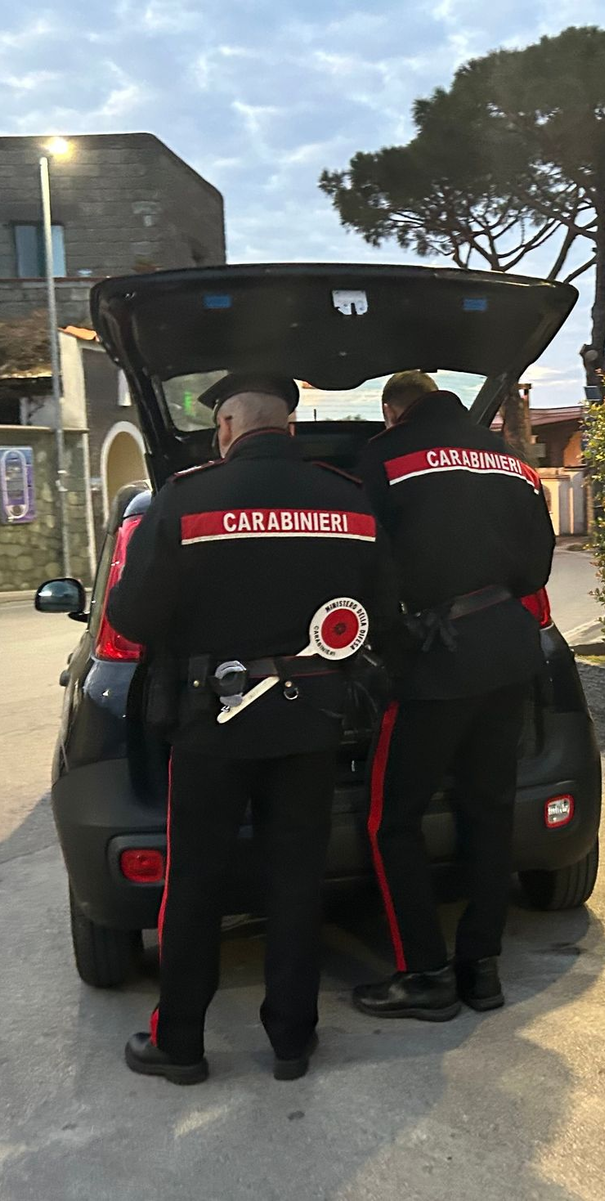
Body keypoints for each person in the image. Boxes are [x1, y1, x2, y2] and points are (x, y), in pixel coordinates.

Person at [108, 373, 397, 1085]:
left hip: (212, 723)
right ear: (290, 429)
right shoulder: (348, 499)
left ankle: (180, 1043)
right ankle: (293, 1041)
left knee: (196, 883)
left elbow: (132, 618)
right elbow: (381, 611)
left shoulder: (185, 498)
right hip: (311, 719)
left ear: (227, 429)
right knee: (296, 877)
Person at [351, 370, 555, 1020]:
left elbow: (363, 562)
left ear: (392, 412)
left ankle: (424, 973)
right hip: (509, 651)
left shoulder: (385, 459)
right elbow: (536, 568)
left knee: (394, 819)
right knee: (489, 809)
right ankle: (481, 967)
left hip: (434, 661)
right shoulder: (512, 463)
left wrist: (390, 641)